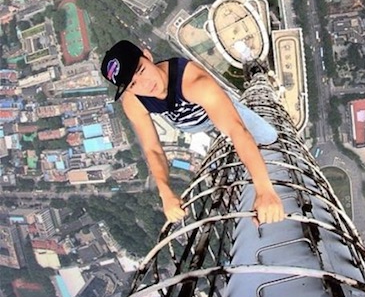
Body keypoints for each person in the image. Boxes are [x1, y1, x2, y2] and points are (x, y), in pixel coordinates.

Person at [100, 40, 284, 225]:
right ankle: (223, 135)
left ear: (148, 56)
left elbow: (237, 130)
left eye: (141, 70)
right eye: (132, 84)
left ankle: (229, 124)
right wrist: (165, 193)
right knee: (228, 138)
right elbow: (152, 149)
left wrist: (264, 190)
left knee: (269, 136)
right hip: (189, 124)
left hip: (216, 110)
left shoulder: (194, 82)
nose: (145, 85)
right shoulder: (134, 102)